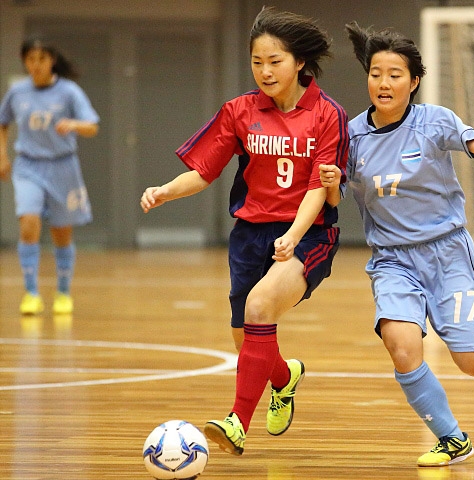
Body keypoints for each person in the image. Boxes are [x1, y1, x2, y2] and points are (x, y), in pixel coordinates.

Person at [319, 23, 474, 467]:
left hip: (447, 252)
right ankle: (451, 438)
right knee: (401, 344)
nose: (383, 83)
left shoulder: (435, 121)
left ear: (414, 81)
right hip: (391, 260)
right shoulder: (351, 136)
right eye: (376, 73)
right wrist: (332, 184)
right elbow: (336, 198)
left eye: (395, 74)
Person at [140, 7, 348, 456]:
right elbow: (203, 169)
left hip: (308, 235)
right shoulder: (239, 111)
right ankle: (284, 377)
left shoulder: (328, 114)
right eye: (257, 61)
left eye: (275, 61)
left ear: (298, 63)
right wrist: (165, 191)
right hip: (250, 234)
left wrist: (294, 235)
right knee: (247, 334)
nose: (265, 71)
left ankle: (237, 423)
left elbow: (319, 185)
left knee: (259, 305)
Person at [0, 36, 99, 315]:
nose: (36, 65)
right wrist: (2, 155)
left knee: (61, 232)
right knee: (29, 223)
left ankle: (63, 293)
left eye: (41, 59)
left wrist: (74, 124)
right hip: (29, 166)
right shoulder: (18, 92)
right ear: (24, 62)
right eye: (30, 59)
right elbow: (2, 121)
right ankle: (31, 293)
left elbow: (92, 126)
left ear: (52, 60)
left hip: (62, 167)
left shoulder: (69, 92)